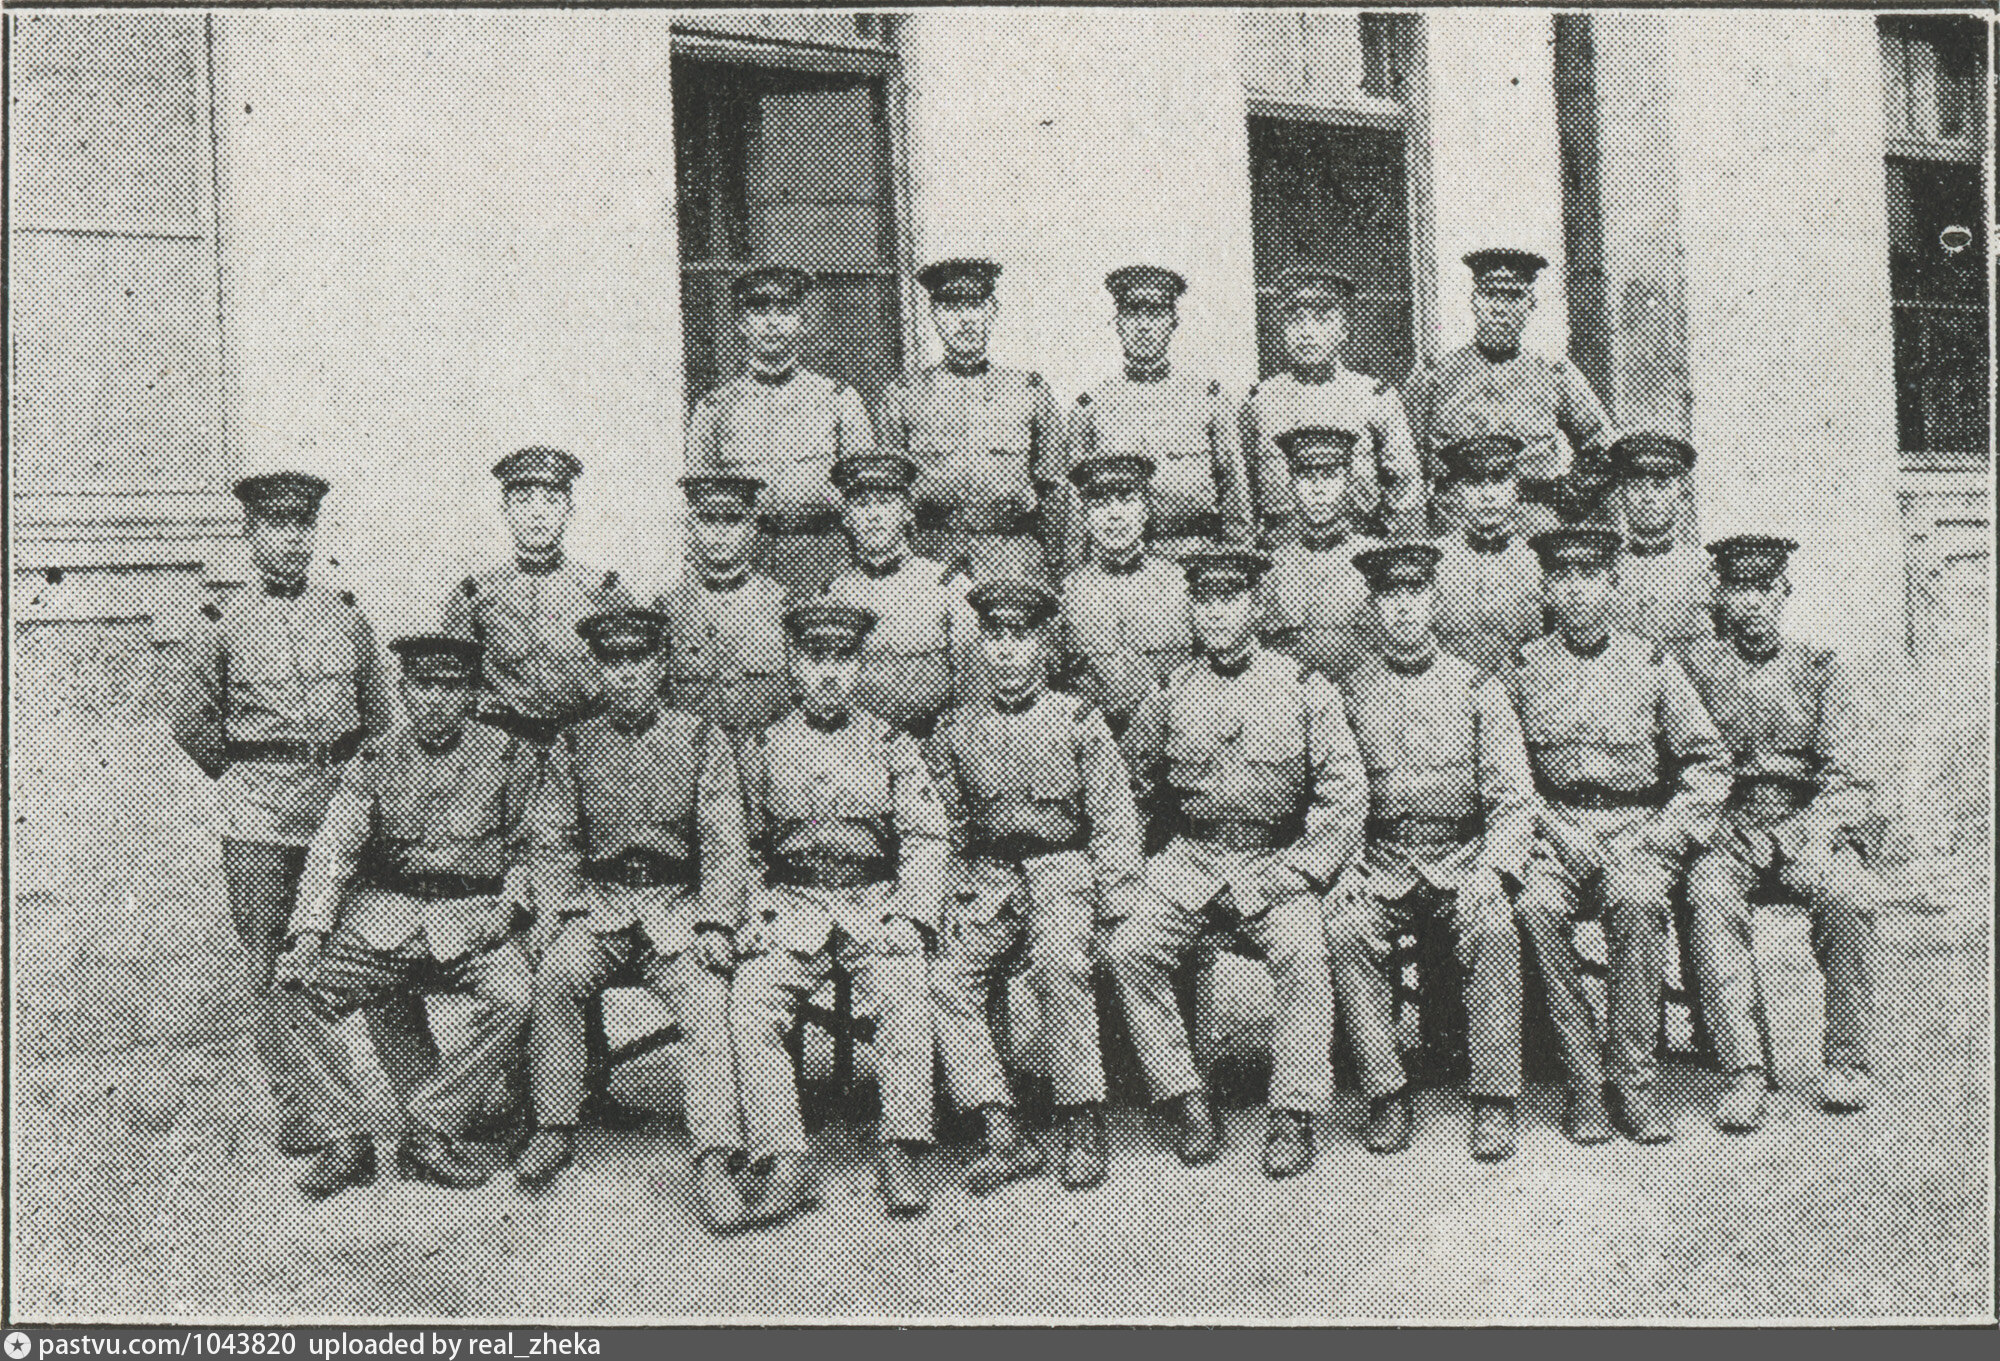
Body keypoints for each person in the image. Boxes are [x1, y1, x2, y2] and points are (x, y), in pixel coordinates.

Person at [157, 471, 410, 1162]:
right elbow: (192, 722)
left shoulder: (346, 615)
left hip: (339, 808)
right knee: (273, 966)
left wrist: (359, 791)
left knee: (376, 949)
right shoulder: (221, 623)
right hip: (261, 819)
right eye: (277, 525)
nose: (293, 539)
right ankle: (311, 1116)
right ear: (250, 533)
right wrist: (248, 770)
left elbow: (378, 718)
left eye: (303, 525)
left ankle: (422, 1112)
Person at [1111, 547, 1367, 1180]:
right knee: (1130, 950)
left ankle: (1293, 1113)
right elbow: (1130, 788)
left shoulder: (1303, 688)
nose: (1218, 614)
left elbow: (1344, 790)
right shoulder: (1170, 691)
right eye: (1205, 601)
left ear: (1255, 606)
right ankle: (1186, 1097)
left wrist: (1300, 870)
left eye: (1231, 600)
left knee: (1304, 953)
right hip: (1190, 860)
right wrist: (1138, 870)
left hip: (1273, 859)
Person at [272, 635, 541, 1196]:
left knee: (517, 998)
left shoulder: (510, 756)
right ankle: (346, 1138)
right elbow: (334, 848)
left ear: (472, 694)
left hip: (473, 919)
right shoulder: (374, 759)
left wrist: (510, 907)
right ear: (402, 690)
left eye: (451, 687)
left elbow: (528, 849)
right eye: (424, 686)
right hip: (385, 921)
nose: (436, 700)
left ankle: (431, 1123)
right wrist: (308, 933)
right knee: (292, 986)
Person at [513, 611, 753, 1230]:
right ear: (597, 669)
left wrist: (716, 922)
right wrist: (558, 910)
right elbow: (555, 837)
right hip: (602, 904)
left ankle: (714, 1155)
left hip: (678, 905)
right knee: (558, 974)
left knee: (707, 995)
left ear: (661, 664)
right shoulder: (573, 743)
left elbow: (723, 840)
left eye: (638, 660)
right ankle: (555, 1124)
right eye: (612, 662)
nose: (626, 675)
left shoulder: (702, 737)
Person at [928, 580, 1151, 1195]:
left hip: (1064, 874)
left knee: (1059, 962)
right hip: (990, 881)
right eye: (994, 636)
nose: (1006, 650)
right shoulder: (955, 729)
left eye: (1020, 636)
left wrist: (1116, 906)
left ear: (1043, 644)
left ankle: (1081, 1120)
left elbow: (1112, 819)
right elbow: (948, 828)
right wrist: (949, 896)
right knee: (948, 976)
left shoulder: (1078, 721)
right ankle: (1001, 1128)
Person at [1507, 528, 1729, 1146]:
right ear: (1547, 589)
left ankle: (1634, 1079)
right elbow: (1507, 776)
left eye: (1590, 578)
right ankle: (1583, 1077)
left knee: (1637, 900)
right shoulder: (1523, 669)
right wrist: (1555, 830)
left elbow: (1708, 764)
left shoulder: (1651, 664)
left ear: (1611, 585)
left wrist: (1659, 837)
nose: (1577, 591)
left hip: (1637, 829)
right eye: (1563, 579)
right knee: (1534, 907)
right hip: (1554, 830)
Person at [730, 601, 950, 1226]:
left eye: (843, 658)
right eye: (814, 658)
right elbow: (744, 844)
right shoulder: (763, 745)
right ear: (792, 664)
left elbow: (925, 835)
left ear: (860, 666)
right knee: (751, 997)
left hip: (873, 903)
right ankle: (785, 1157)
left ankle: (900, 1144)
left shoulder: (890, 743)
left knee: (905, 985)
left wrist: (911, 914)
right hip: (792, 904)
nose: (829, 672)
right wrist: (753, 912)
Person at [1324, 543, 1535, 1162]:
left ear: (1435, 600)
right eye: (1389, 595)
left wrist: (1495, 869)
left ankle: (1494, 1097)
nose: (1403, 608)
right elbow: (1333, 792)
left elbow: (1512, 797)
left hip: (1463, 857)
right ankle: (1387, 1091)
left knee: (1493, 924)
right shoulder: (1349, 692)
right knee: (1345, 927)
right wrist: (1346, 865)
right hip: (1383, 861)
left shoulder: (1477, 687)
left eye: (1414, 593)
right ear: (1373, 606)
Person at [1682, 536, 1882, 1130]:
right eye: (1737, 588)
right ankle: (1745, 1072)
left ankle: (1846, 1061)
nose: (1750, 602)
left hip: (1807, 828)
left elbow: (1848, 778)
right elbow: (1684, 767)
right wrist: (1717, 827)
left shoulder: (1819, 668)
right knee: (1707, 897)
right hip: (1727, 829)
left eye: (1763, 588)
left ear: (1784, 592)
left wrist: (1797, 836)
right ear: (1719, 595)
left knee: (1848, 894)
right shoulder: (1694, 670)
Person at [683, 264, 876, 598]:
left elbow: (865, 496)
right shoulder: (714, 408)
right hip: (746, 563)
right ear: (741, 324)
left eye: (785, 311)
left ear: (803, 322)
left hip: (825, 556)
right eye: (759, 311)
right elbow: (698, 507)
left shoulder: (839, 399)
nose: (772, 323)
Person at [876, 258, 1068, 582]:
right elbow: (890, 491)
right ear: (934, 314)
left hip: (1011, 554)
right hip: (932, 553)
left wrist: (1055, 565)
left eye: (975, 306)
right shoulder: (903, 394)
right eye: (952, 308)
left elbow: (1054, 489)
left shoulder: (1029, 390)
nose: (965, 319)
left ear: (992, 310)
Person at [1409, 249, 1615, 537]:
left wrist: (1567, 500)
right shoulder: (1437, 376)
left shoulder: (1553, 372)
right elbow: (1405, 460)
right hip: (1455, 528)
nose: (1500, 309)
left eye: (1513, 297)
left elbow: (1605, 447)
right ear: (1474, 301)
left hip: (1532, 526)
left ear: (1531, 304)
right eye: (1490, 295)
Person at [442, 446, 635, 747]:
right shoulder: (474, 597)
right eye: (523, 501)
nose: (538, 513)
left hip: (586, 746)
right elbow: (453, 686)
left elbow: (632, 676)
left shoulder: (604, 592)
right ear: (505, 509)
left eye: (552, 500)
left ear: (569, 509)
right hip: (503, 749)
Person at [1067, 265, 1252, 565]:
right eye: (1132, 314)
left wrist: (1237, 562)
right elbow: (1077, 506)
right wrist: (1076, 574)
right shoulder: (1091, 406)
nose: (1143, 326)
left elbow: (1234, 489)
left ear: (1173, 321)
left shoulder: (1208, 398)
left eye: (1155, 314)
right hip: (1119, 564)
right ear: (1117, 322)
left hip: (1195, 558)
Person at [1242, 267, 1424, 542]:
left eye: (1322, 319)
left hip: (1359, 549)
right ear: (1282, 328)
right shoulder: (1260, 402)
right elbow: (1242, 493)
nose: (1307, 332)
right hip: (1282, 552)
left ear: (1344, 330)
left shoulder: (1375, 398)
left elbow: (1405, 490)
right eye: (1295, 319)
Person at [1057, 454, 1195, 772]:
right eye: (1100, 504)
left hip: (1171, 751)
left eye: (1126, 500)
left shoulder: (1180, 583)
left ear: (1145, 509)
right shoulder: (1069, 593)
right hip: (1097, 756)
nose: (1115, 515)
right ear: (1085, 515)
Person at [822, 453, 959, 741]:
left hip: (932, 741)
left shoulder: (946, 584)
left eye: (885, 502)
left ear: (907, 512)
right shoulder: (834, 594)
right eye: (861, 504)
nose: (874, 515)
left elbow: (974, 679)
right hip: (859, 746)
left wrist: (951, 739)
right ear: (847, 518)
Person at [656, 475, 793, 742]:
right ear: (691, 526)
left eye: (733, 520)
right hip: (693, 756)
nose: (720, 532)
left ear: (752, 527)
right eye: (708, 520)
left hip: (763, 754)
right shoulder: (669, 611)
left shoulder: (781, 606)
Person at [1255, 425, 1384, 686]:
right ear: (1291, 482)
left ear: (1348, 480)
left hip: (1365, 692)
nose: (1318, 489)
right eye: (1306, 476)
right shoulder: (1273, 566)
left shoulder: (1376, 558)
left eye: (1330, 475)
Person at [1430, 435, 1548, 677]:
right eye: (1474, 482)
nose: (1488, 495)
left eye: (1499, 480)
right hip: (1454, 690)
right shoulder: (1435, 562)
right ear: (1456, 490)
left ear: (1515, 487)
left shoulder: (1539, 560)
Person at [1609, 433, 1714, 666]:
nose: (1648, 498)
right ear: (1621, 494)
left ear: (1681, 495)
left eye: (1661, 485)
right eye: (1636, 485)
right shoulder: (1605, 570)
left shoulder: (1704, 570)